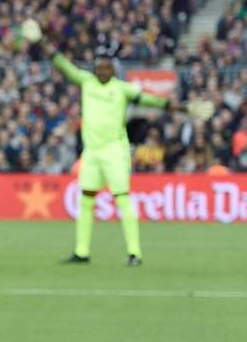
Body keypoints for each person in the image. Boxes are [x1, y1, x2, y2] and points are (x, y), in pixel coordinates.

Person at [38, 36, 176, 266]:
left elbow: (153, 101)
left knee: (122, 199)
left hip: (114, 152)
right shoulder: (86, 82)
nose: (102, 70)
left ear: (113, 69)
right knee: (86, 200)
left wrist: (182, 107)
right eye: (100, 66)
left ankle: (135, 252)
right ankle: (82, 251)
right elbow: (62, 64)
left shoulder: (123, 89)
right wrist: (42, 40)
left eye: (107, 67)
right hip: (91, 153)